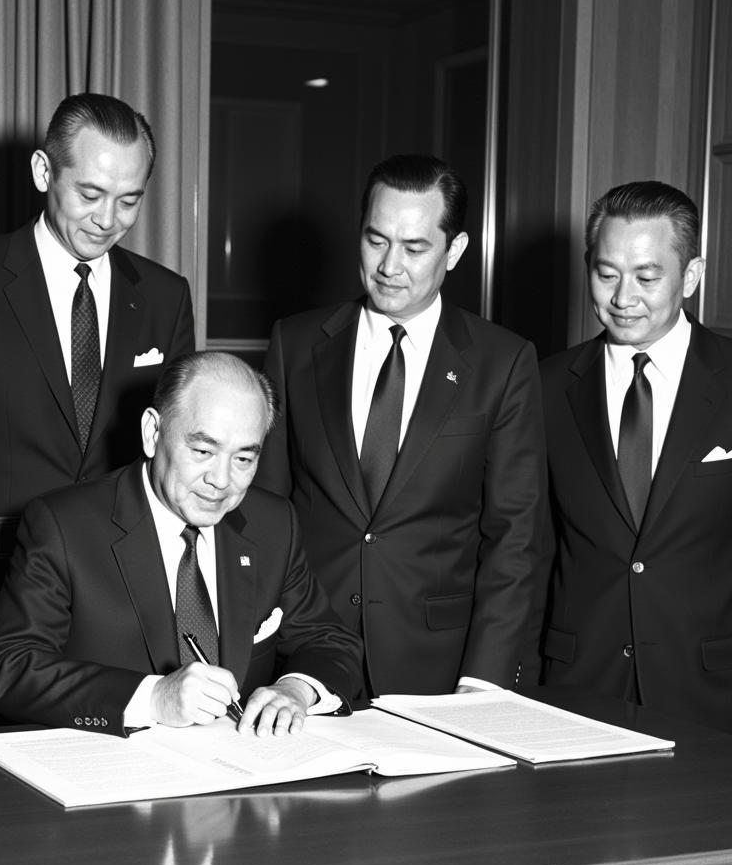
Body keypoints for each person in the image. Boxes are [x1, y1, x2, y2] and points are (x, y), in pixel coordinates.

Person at [256, 154, 547, 698]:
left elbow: (516, 538)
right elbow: (267, 508)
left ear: (454, 250)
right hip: (305, 657)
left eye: (415, 248)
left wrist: (484, 680)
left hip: (440, 665)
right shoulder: (294, 345)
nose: (390, 265)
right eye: (376, 240)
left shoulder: (503, 362)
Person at [0, 351, 363, 736]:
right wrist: (154, 697)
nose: (221, 480)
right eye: (202, 451)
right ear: (152, 432)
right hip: (111, 774)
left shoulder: (274, 524)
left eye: (244, 458)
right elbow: (8, 669)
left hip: (239, 774)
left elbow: (330, 641)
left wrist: (295, 689)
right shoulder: (63, 525)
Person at [0, 92, 195, 518]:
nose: (107, 219)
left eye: (129, 201)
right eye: (90, 194)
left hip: (118, 570)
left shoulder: (166, 296)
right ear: (43, 172)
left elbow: (176, 453)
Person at [540, 180, 732, 732]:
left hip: (710, 692)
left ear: (690, 276)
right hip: (578, 687)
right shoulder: (545, 386)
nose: (623, 299)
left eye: (648, 277)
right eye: (606, 274)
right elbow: (528, 546)